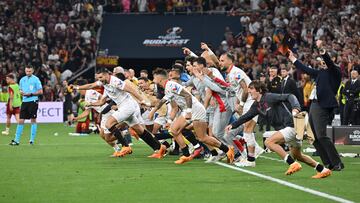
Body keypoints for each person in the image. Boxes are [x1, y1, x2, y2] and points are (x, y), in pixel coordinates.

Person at [225, 81, 331, 179]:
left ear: (259, 90)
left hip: (291, 126)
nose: (249, 91)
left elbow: (290, 96)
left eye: (251, 89)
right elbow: (247, 116)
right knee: (298, 156)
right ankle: (323, 170)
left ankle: (292, 164)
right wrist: (233, 125)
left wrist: (296, 107)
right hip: (288, 129)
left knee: (269, 142)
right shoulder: (256, 105)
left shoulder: (269, 97)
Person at [74, 68, 167, 158]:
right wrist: (79, 90)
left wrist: (142, 100)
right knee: (140, 131)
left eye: (101, 77)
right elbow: (98, 97)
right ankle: (159, 148)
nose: (99, 80)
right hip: (124, 107)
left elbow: (130, 89)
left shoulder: (114, 81)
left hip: (127, 106)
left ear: (107, 75)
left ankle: (125, 146)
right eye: (98, 78)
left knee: (108, 124)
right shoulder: (104, 83)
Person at [149, 68, 235, 164]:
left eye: (154, 78)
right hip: (187, 110)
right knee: (173, 130)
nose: (153, 80)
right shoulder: (167, 87)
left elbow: (188, 96)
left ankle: (227, 150)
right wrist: (152, 111)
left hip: (195, 109)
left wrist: (189, 111)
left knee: (202, 137)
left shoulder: (171, 85)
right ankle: (186, 155)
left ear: (160, 79)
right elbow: (162, 101)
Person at [287, 40, 344, 171]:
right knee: (314, 138)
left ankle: (337, 163)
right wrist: (293, 59)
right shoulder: (320, 72)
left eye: (324, 59)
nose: (321, 61)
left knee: (321, 135)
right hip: (314, 104)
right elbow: (305, 69)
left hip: (323, 106)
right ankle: (328, 163)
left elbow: (329, 62)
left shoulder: (335, 71)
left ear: (333, 58)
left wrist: (321, 49)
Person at [10, 66, 43, 145]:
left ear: (33, 71)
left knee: (33, 120)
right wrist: (21, 92)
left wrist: (30, 94)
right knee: (21, 120)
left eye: (29, 71)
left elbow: (41, 91)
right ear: (25, 71)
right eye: (27, 71)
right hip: (24, 102)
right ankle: (16, 140)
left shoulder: (36, 79)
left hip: (33, 101)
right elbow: (20, 89)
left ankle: (31, 140)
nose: (28, 73)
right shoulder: (22, 79)